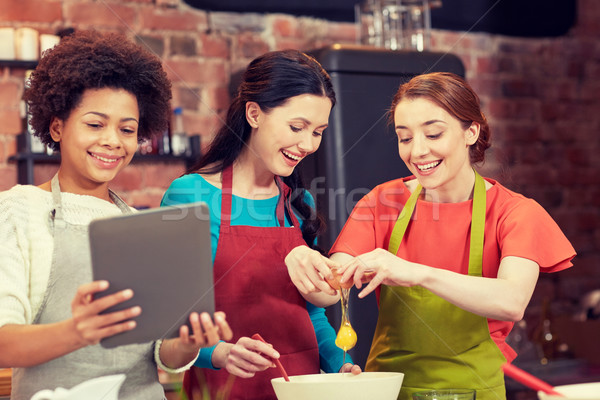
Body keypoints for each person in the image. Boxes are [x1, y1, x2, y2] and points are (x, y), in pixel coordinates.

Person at [285, 72, 576, 400]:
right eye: (404, 138)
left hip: (474, 391)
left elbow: (511, 302)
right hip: (391, 391)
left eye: (433, 134)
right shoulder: (382, 202)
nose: (418, 151)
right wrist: (304, 260)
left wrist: (416, 273)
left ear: (471, 132)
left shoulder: (515, 213)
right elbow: (331, 287)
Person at [0, 30, 232, 400]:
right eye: (95, 124)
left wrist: (188, 342)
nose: (113, 141)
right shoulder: (19, 210)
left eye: (127, 130)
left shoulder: (139, 226)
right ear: (57, 126)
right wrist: (77, 331)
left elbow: (160, 353)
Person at [161, 49, 361, 400]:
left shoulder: (299, 204)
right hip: (223, 389)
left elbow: (312, 315)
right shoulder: (189, 195)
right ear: (254, 113)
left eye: (318, 132)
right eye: (297, 127)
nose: (307, 144)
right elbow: (171, 321)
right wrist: (220, 352)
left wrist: (338, 363)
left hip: (301, 390)